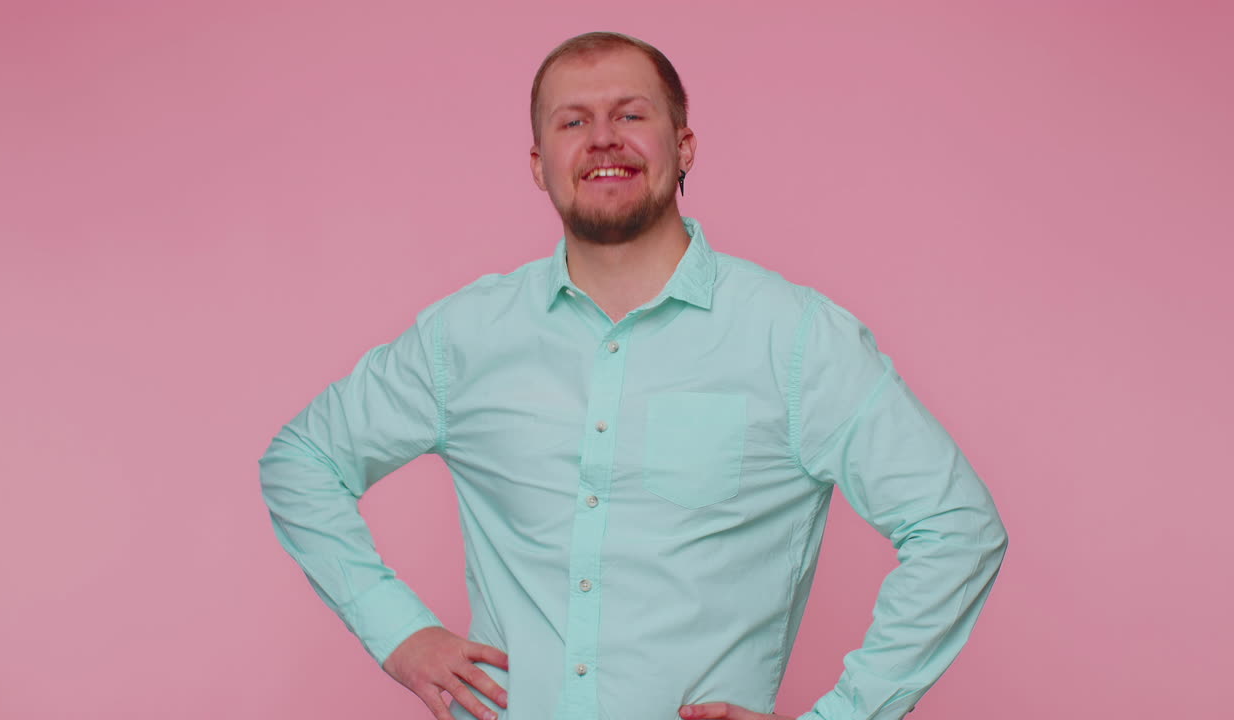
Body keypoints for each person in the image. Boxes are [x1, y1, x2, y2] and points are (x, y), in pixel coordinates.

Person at [258, 31, 1008, 720]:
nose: (603, 139)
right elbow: (304, 460)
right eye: (572, 121)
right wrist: (399, 631)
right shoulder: (466, 336)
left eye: (630, 114)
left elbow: (956, 528)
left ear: (683, 147)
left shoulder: (797, 339)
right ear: (538, 163)